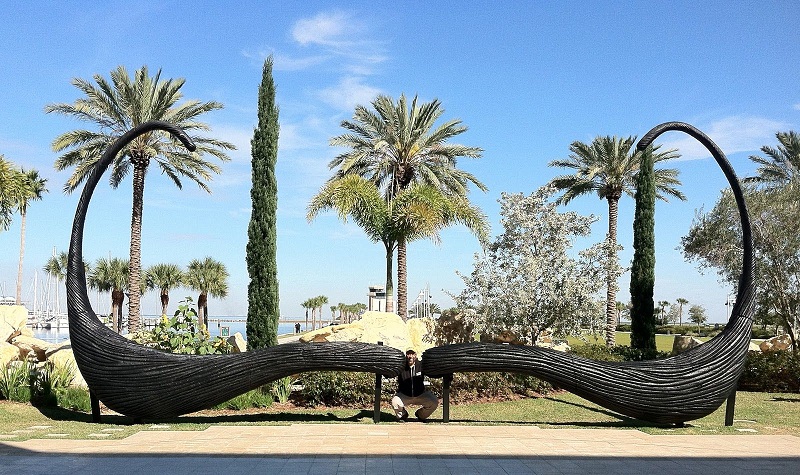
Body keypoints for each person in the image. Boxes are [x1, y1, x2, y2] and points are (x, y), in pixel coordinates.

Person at [392, 349, 438, 422]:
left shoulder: (421, 366)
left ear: (415, 355)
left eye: (412, 354)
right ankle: (403, 415)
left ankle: (421, 415)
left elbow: (432, 373)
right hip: (405, 395)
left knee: (434, 401)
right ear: (406, 356)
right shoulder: (401, 367)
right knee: (395, 402)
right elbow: (391, 373)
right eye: (408, 354)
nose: (410, 356)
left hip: (420, 394)